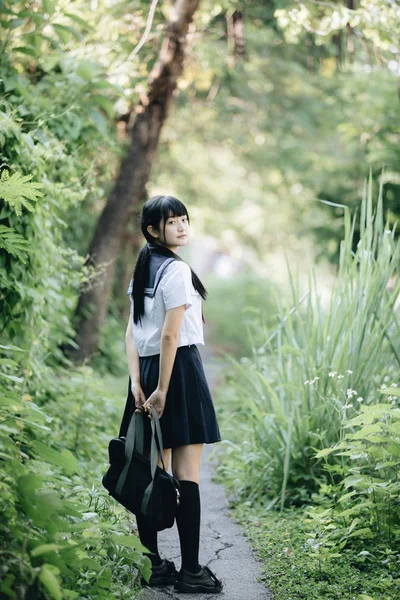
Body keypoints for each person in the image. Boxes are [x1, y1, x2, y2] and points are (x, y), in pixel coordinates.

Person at [120, 194, 223, 594]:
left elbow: (133, 332)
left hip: (146, 373)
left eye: (184, 218)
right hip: (176, 371)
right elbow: (169, 334)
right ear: (152, 229)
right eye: (172, 221)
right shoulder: (176, 271)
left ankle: (154, 566)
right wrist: (161, 388)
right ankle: (192, 572)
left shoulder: (143, 270)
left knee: (151, 472)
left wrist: (136, 382)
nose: (181, 226)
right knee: (185, 474)